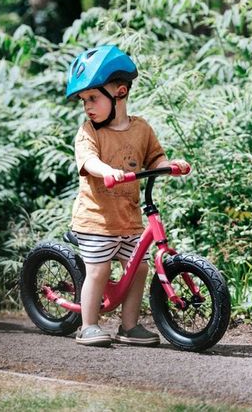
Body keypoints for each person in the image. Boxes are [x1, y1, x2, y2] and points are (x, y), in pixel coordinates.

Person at [65, 45, 190, 347]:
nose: (87, 106)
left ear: (119, 93)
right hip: (96, 220)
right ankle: (88, 325)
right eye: (83, 100)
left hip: (129, 219)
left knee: (139, 269)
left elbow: (155, 157)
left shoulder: (141, 129)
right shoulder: (88, 132)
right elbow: (88, 161)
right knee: (99, 270)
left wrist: (169, 166)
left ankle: (129, 326)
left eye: (93, 98)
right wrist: (106, 170)